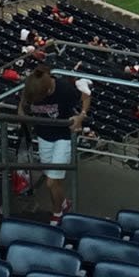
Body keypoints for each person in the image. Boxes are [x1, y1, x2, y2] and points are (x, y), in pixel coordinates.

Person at [18, 65, 91, 215]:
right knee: (51, 179)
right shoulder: (31, 88)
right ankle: (64, 204)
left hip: (63, 137)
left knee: (51, 181)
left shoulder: (64, 88)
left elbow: (86, 97)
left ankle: (57, 213)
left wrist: (80, 116)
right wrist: (23, 116)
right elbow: (23, 105)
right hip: (43, 136)